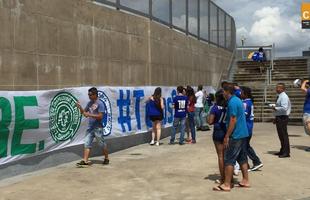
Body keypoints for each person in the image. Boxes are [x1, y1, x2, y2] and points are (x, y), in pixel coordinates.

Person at [213, 84, 250, 192]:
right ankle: (245, 180)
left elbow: (233, 120)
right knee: (242, 158)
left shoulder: (232, 102)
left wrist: (227, 136)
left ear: (227, 92)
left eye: (223, 91)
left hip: (236, 134)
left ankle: (227, 184)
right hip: (243, 133)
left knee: (229, 159)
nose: (223, 94)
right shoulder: (237, 100)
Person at [76, 87, 109, 166]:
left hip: (98, 127)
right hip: (90, 127)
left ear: (95, 95)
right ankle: (85, 160)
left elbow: (100, 116)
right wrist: (79, 107)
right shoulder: (89, 103)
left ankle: (106, 158)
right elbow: (84, 113)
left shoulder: (100, 103)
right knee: (87, 143)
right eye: (88, 94)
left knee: (101, 143)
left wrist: (89, 114)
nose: (89, 96)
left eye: (90, 94)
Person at [240, 86, 263, 171]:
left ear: (245, 94)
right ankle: (248, 164)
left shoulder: (246, 103)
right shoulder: (248, 102)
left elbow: (243, 115)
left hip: (246, 128)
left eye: (241, 92)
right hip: (248, 127)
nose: (240, 94)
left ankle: (256, 161)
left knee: (245, 147)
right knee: (245, 146)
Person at [208, 90, 227, 183]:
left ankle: (223, 178)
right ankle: (228, 177)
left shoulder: (215, 108)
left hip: (218, 131)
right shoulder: (228, 106)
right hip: (227, 131)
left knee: (220, 156)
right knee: (227, 156)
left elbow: (210, 121)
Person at [272, 83, 291, 158]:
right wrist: (276, 117)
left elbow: (284, 108)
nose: (276, 89)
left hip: (283, 118)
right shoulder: (280, 96)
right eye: (276, 88)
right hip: (279, 117)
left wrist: (275, 108)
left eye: (278, 88)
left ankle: (286, 152)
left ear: (282, 89)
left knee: (283, 135)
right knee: (281, 135)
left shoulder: (284, 97)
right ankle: (283, 150)